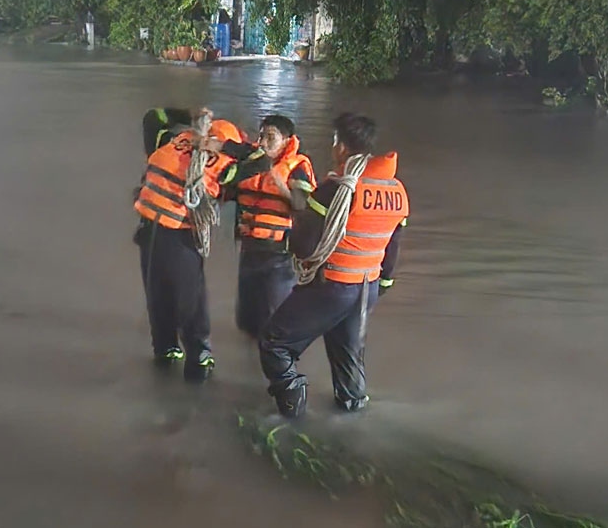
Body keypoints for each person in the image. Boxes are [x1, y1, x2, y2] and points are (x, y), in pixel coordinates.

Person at [258, 113, 409, 418]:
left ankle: (292, 414)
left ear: (340, 146)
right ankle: (352, 418)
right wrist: (383, 286)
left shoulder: (334, 189)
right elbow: (392, 249)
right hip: (366, 290)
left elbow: (304, 244)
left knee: (275, 343)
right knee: (348, 357)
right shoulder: (396, 192)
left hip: (331, 287)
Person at [134, 109, 271, 382]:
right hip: (179, 235)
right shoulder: (223, 165)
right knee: (191, 298)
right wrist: (223, 147)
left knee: (157, 292)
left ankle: (165, 348)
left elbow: (153, 115)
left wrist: (191, 115)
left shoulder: (170, 142)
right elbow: (261, 161)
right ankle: (199, 356)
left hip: (149, 228)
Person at [234, 115, 316, 338]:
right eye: (261, 136)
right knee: (247, 321)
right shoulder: (252, 162)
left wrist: (281, 186)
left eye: (271, 137)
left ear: (287, 141)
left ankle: (275, 363)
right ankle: (248, 365)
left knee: (275, 320)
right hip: (249, 249)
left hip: (278, 254)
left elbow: (303, 207)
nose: (263, 143)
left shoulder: (298, 166)